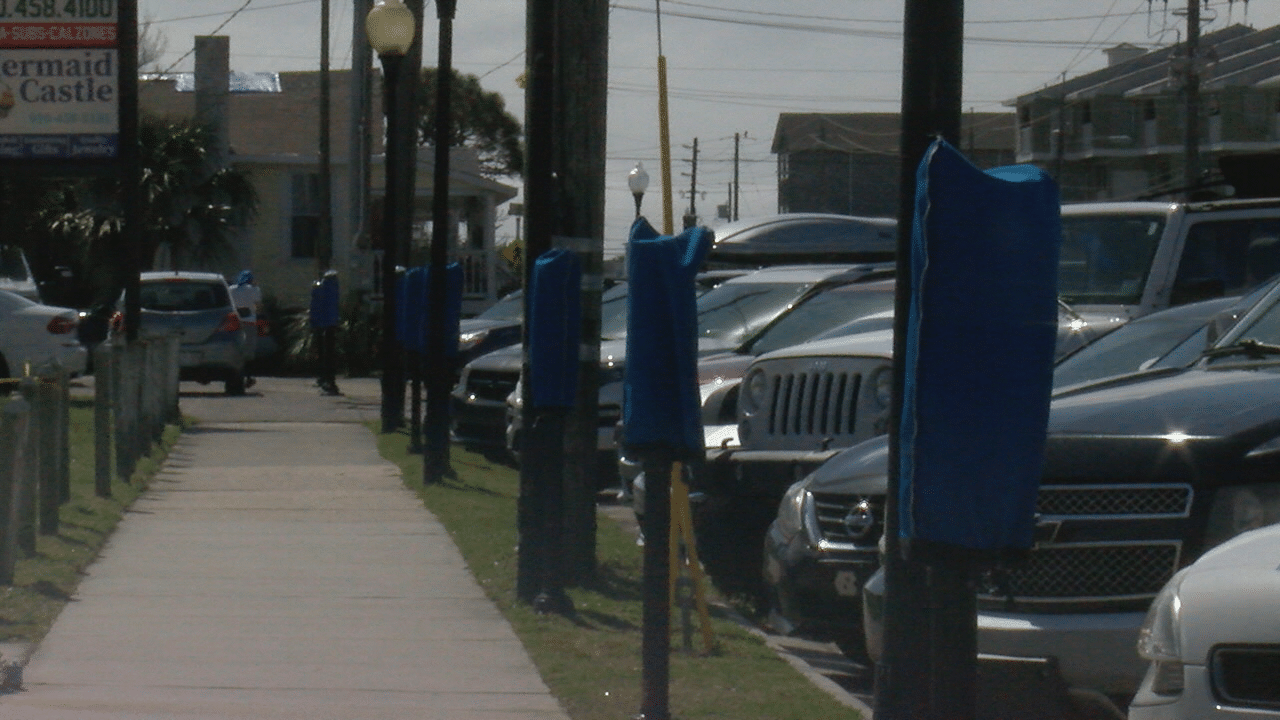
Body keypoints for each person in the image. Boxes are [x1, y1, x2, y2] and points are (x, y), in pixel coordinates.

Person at [229, 269, 263, 389]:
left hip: (235, 323)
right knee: (249, 351)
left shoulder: (231, 289)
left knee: (237, 350)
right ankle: (248, 376)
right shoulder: (254, 290)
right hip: (250, 322)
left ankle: (235, 374)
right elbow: (258, 307)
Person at [310, 269, 341, 395]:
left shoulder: (321, 288)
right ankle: (329, 381)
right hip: (330, 324)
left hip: (322, 324)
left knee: (324, 353)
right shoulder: (332, 288)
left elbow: (315, 305)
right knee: (329, 354)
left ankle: (324, 378)